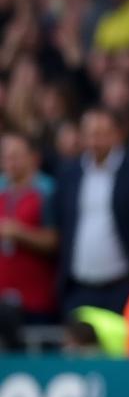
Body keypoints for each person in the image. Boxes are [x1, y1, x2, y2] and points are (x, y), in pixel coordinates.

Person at [54, 108, 129, 316]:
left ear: (117, 134)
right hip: (79, 287)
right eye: (89, 133)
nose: (94, 141)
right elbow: (62, 223)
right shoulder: (69, 174)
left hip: (124, 286)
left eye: (101, 133)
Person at [0, 132, 59, 322]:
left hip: (36, 300)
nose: (10, 162)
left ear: (34, 158)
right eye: (5, 156)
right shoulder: (2, 192)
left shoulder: (48, 191)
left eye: (16, 156)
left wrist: (19, 233)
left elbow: (55, 241)